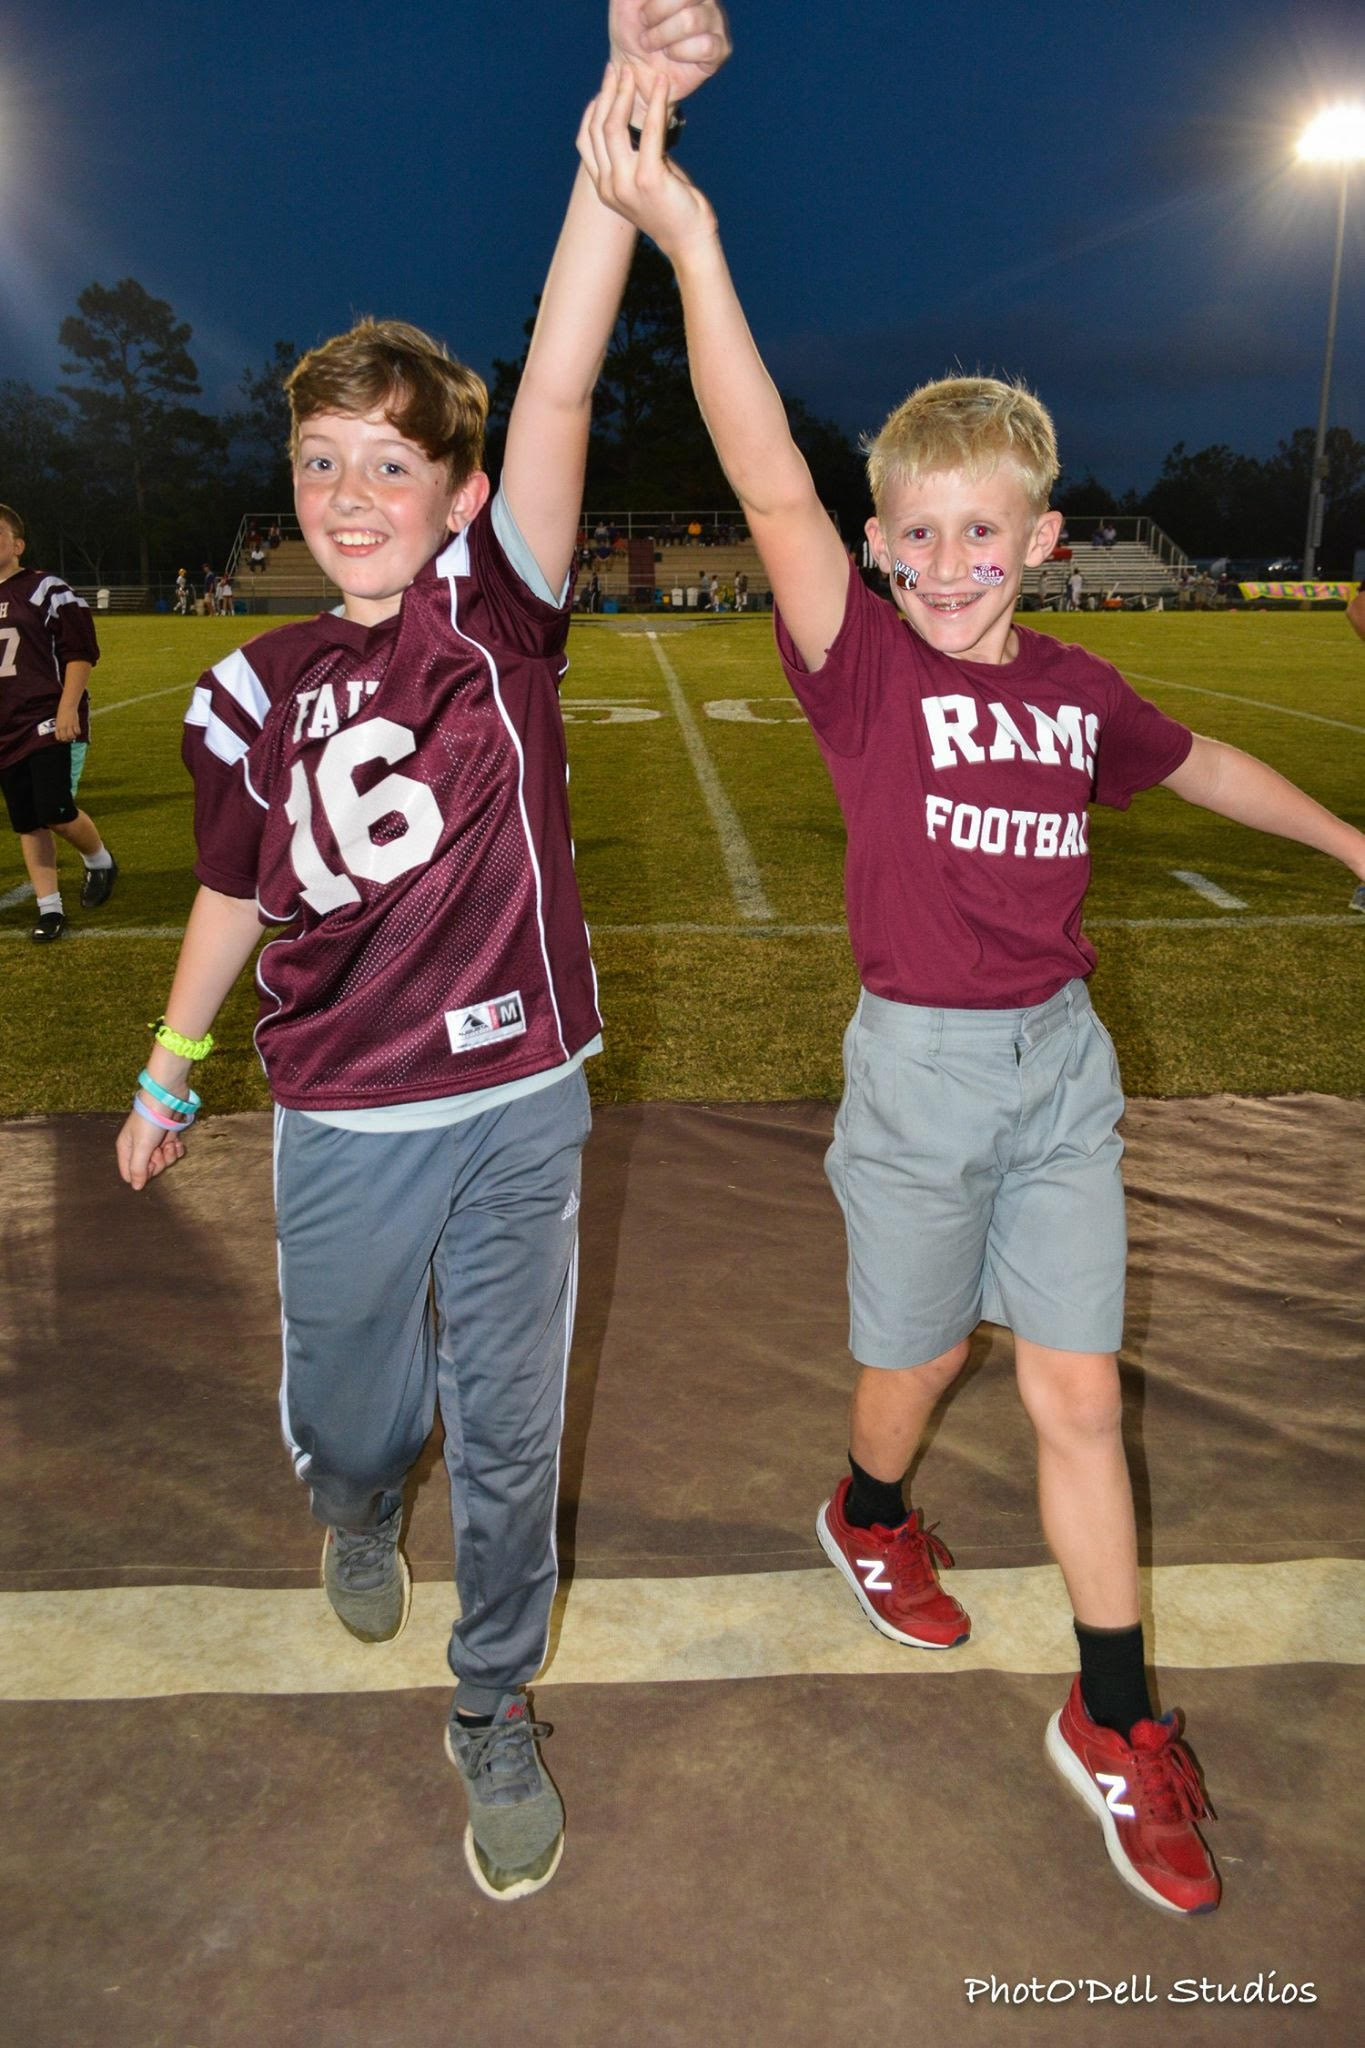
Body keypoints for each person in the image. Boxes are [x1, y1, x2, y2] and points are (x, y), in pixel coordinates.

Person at [577, 73, 1365, 1918]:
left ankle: (1115, 1721)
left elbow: (1213, 770)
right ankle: (866, 1508)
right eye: (912, 531)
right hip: (921, 1079)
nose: (945, 563)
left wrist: (1346, 841)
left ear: (1045, 531)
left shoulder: (1086, 690)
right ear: (876, 545)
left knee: (1080, 1397)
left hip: (1063, 1075)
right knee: (915, 1367)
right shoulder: (858, 665)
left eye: (979, 530)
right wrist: (689, 240)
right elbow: (764, 456)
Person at [115, 2, 731, 1907]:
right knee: (361, 1408)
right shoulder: (244, 686)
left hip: (521, 1094)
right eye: (322, 461)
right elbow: (232, 885)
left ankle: (491, 1702)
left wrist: (617, 134)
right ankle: (354, 1494)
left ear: (457, 498)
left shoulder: (499, 613)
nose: (355, 494)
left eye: (394, 465)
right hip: (345, 1110)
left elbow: (553, 381)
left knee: (515, 1424)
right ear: (290, 488)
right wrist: (167, 1062)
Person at [0, 504, 118, 941]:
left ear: (17, 545)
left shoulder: (44, 587)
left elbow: (80, 650)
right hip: (4, 724)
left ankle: (100, 860)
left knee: (55, 810)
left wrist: (68, 707)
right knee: (27, 821)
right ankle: (49, 909)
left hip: (45, 716)